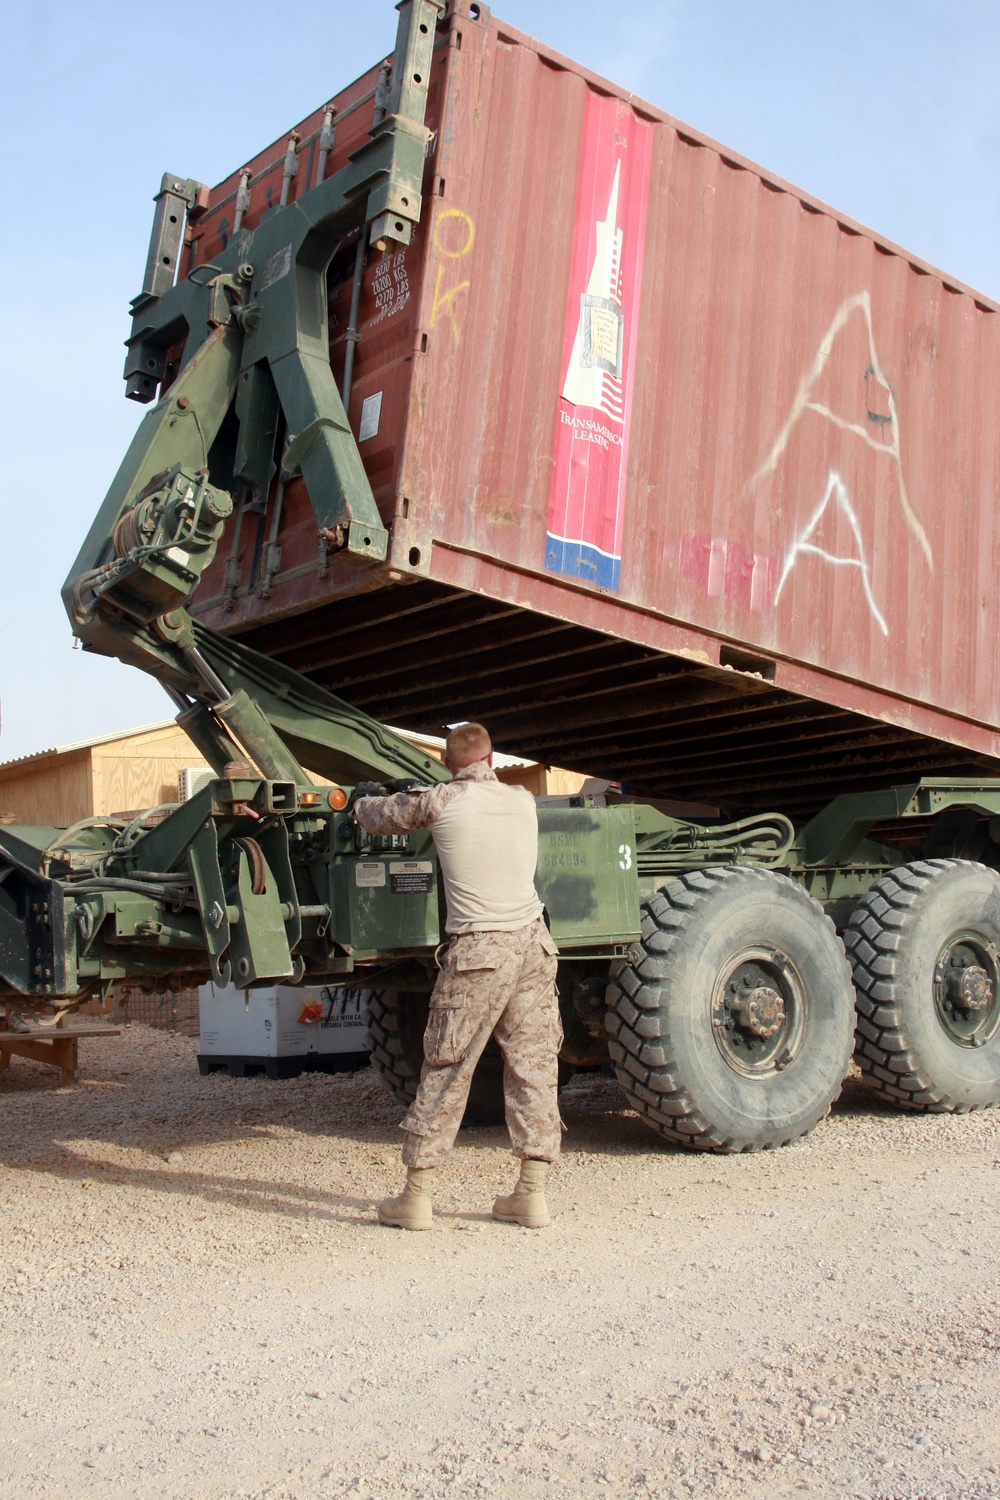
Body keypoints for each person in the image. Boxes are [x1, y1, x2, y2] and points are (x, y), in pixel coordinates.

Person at [352, 722, 562, 1231]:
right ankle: (530, 1196)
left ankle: (416, 1198)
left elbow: (378, 817)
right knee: (533, 1065)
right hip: (533, 944)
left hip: (479, 951)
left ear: (448, 764)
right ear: (492, 760)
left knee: (448, 1066)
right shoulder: (522, 801)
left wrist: (361, 801)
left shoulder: (440, 801)